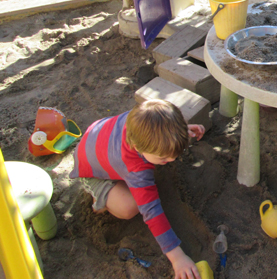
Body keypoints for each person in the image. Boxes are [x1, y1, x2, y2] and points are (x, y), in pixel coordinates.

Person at [70, 99, 206, 279]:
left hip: (98, 138)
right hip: (91, 170)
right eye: (164, 158)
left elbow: (163, 124)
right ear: (138, 148)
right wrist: (177, 257)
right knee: (128, 207)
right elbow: (151, 211)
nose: (171, 160)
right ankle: (100, 197)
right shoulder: (135, 169)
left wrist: (178, 134)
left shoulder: (141, 120)